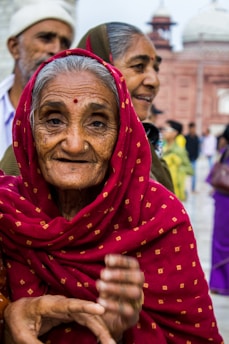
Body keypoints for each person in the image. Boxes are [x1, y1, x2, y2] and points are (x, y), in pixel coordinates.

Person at [0, 49, 223, 343]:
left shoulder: (158, 216)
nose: (75, 144)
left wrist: (127, 330)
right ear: (27, 129)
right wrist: (9, 317)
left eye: (97, 123)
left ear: (123, 135)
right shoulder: (6, 211)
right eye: (53, 120)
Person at [76, 22, 174, 193]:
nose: (154, 81)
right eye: (139, 66)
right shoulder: (49, 147)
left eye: (156, 69)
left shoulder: (145, 147)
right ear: (99, 68)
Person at [0, 0, 75, 161]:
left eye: (65, 43)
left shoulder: (76, 113)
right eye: (46, 38)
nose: (56, 50)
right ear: (14, 47)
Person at [206, 124, 229, 296]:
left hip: (222, 200)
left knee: (221, 241)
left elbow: (212, 178)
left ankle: (220, 283)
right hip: (224, 200)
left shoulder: (225, 152)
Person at [162, 120, 193, 201]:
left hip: (175, 190)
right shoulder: (161, 148)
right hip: (163, 188)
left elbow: (189, 169)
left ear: (175, 133)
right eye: (163, 129)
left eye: (167, 130)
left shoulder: (179, 150)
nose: (164, 132)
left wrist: (177, 167)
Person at [185, 122, 200, 193]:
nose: (193, 130)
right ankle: (184, 190)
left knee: (194, 175)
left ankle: (193, 188)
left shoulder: (196, 137)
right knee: (184, 175)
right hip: (187, 159)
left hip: (194, 158)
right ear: (189, 128)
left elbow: (198, 147)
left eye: (194, 128)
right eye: (192, 128)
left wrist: (197, 155)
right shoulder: (186, 137)